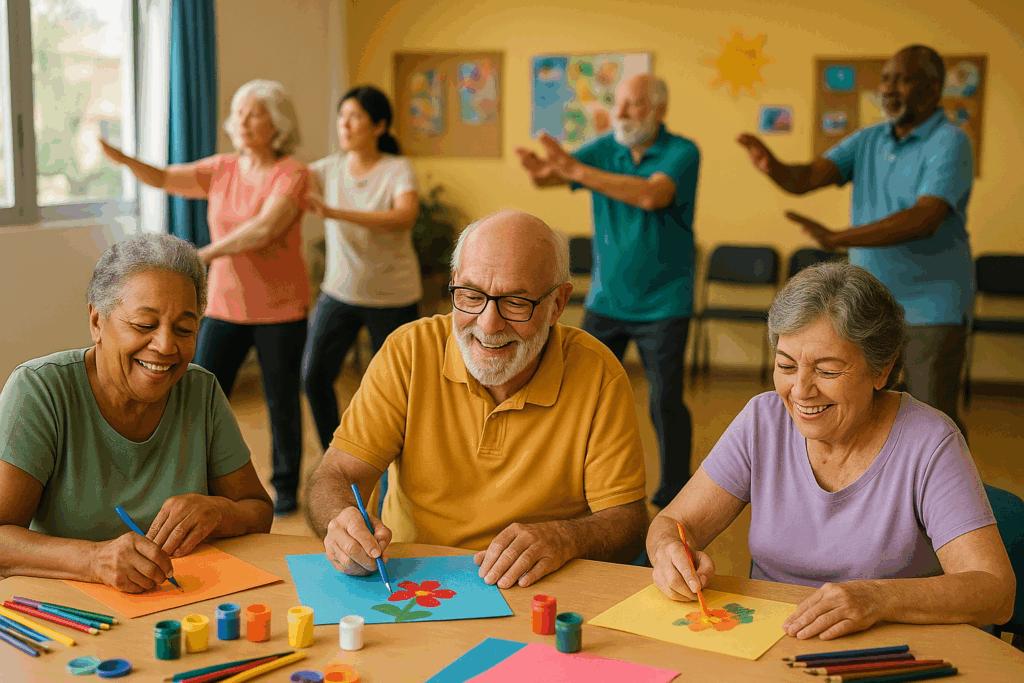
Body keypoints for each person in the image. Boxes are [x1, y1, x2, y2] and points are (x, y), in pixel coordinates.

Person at [647, 263, 1014, 640]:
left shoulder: (930, 441)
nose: (801, 390)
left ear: (881, 370)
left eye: (827, 371)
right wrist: (668, 552)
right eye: (786, 366)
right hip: (770, 644)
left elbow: (995, 591)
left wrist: (876, 597)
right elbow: (674, 524)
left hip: (886, 652)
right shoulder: (763, 420)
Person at [306, 210, 649, 589]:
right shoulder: (409, 351)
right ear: (453, 284)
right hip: (411, 581)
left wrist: (566, 538)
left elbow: (627, 523)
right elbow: (335, 475)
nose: (488, 324)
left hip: (539, 586)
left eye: (516, 302)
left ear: (557, 304)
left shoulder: (598, 374)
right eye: (470, 296)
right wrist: (340, 521)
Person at [0, 234, 274, 593]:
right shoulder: (39, 390)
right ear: (97, 323)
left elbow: (258, 510)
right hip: (66, 611)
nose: (165, 346)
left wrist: (222, 512)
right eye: (144, 325)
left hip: (180, 605)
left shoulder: (200, 390)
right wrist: (94, 560)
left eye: (185, 329)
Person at [737, 45, 973, 436]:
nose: (889, 87)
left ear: (932, 89)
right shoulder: (868, 139)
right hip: (869, 308)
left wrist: (837, 237)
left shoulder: (951, 141)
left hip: (932, 307)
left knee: (934, 421)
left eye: (903, 78)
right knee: (870, 415)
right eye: (885, 78)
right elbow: (809, 177)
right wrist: (773, 167)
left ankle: (944, 495)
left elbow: (925, 218)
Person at [102, 79, 311, 515]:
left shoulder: (292, 173)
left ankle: (286, 486)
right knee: (192, 389)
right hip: (224, 305)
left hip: (280, 310)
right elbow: (162, 177)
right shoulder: (223, 169)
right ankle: (185, 476)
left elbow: (265, 229)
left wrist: (202, 255)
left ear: (278, 123)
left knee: (281, 399)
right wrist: (121, 158)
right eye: (239, 112)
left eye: (255, 112)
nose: (243, 120)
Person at [516, 73, 701, 508]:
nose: (619, 113)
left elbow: (653, 196)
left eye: (633, 105)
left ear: (659, 110)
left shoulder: (682, 152)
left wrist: (576, 170)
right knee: (573, 392)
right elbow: (552, 176)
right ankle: (567, 484)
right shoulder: (604, 149)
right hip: (607, 300)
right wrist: (540, 170)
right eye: (617, 103)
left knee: (664, 401)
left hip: (665, 303)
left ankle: (675, 491)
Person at [302, 85, 421, 451]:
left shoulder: (397, 169)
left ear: (379, 125)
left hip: (393, 297)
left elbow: (404, 217)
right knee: (313, 377)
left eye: (355, 117)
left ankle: (392, 465)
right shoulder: (327, 169)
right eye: (342, 117)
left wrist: (334, 212)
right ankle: (336, 455)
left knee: (394, 391)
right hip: (339, 292)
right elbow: (287, 181)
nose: (345, 125)